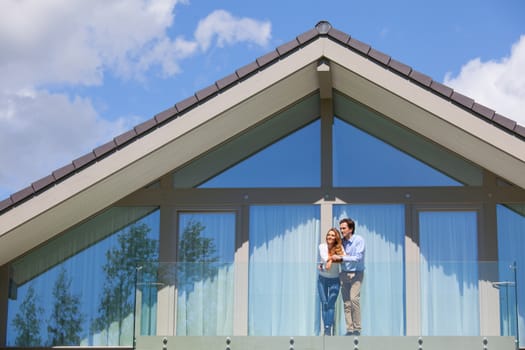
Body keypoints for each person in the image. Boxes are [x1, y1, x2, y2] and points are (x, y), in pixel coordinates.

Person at [333, 218, 365, 336]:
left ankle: (357, 329)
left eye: (344, 228)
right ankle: (349, 329)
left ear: (350, 229)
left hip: (357, 273)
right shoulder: (341, 242)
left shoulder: (359, 240)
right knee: (346, 303)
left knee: (354, 299)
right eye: (340, 228)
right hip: (344, 274)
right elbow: (333, 255)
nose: (341, 230)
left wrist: (342, 258)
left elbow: (357, 258)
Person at [317, 228, 344, 336]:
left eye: (333, 235)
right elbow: (324, 258)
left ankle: (328, 327)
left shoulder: (340, 248)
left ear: (336, 237)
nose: (330, 237)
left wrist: (331, 260)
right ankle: (327, 329)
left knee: (331, 304)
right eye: (329, 235)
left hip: (335, 279)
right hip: (322, 279)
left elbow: (344, 258)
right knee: (324, 304)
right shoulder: (322, 246)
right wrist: (333, 258)